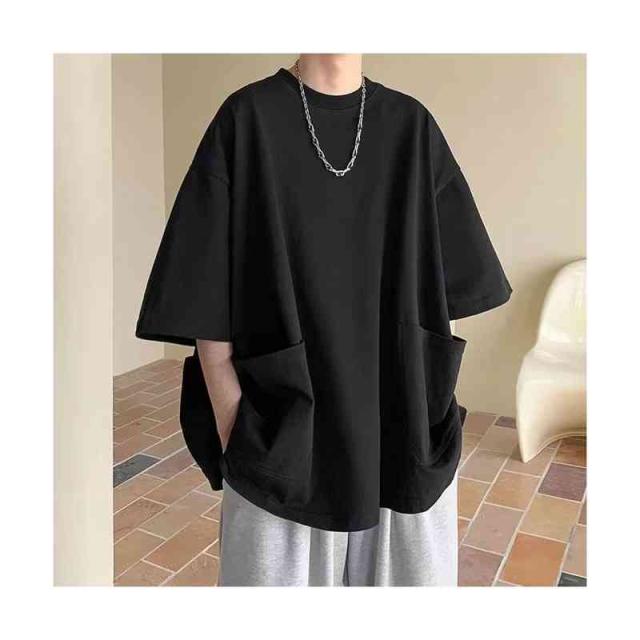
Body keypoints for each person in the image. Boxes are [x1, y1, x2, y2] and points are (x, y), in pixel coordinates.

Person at [136, 54, 511, 586]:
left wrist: (428, 399)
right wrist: (235, 425)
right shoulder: (247, 119)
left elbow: (448, 289)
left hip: (401, 434)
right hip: (281, 439)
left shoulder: (411, 126)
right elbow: (204, 292)